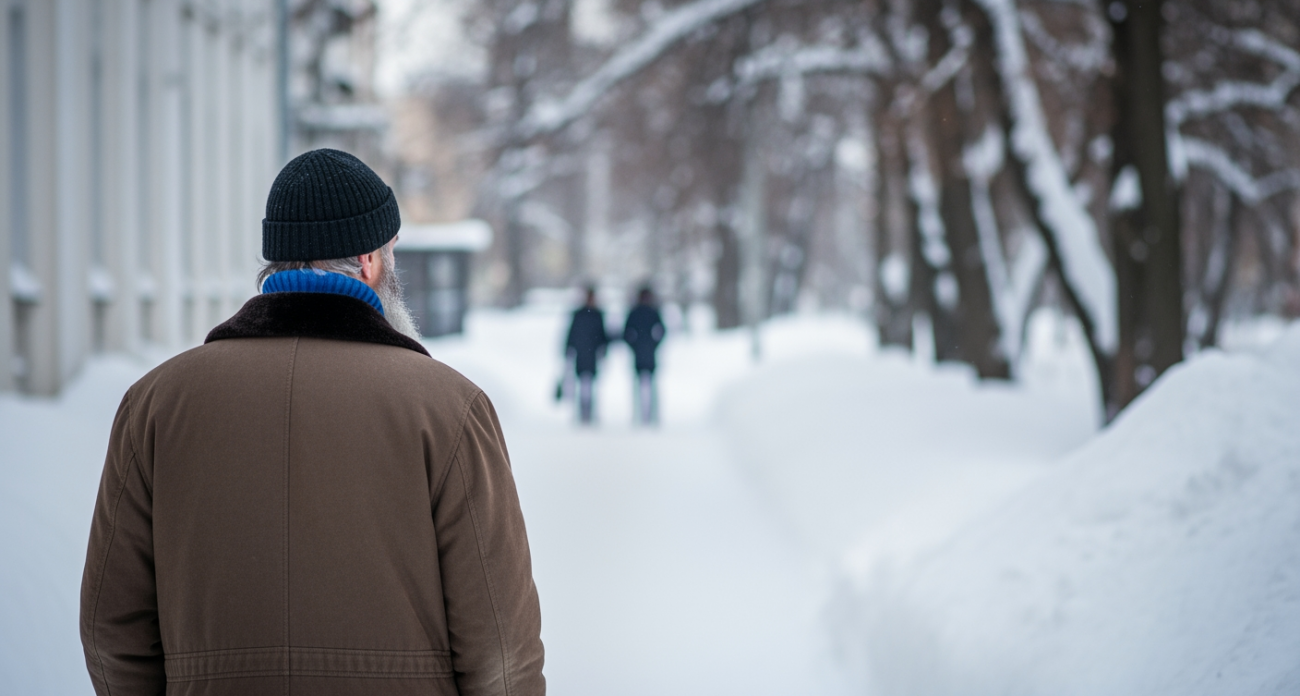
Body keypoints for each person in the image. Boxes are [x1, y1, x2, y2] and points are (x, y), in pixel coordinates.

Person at [79, 149, 545, 696]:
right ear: (371, 259)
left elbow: (110, 630)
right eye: (393, 251)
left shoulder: (156, 404)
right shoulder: (449, 408)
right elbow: (500, 652)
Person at [564, 286, 609, 424]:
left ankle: (590, 412)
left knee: (591, 384)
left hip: (592, 353)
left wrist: (603, 349)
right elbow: (571, 333)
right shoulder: (580, 314)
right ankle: (582, 412)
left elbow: (602, 335)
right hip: (582, 352)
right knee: (581, 383)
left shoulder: (597, 314)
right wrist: (569, 349)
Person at [622, 286, 666, 425]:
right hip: (645, 352)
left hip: (643, 352)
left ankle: (645, 415)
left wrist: (637, 345)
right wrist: (652, 344)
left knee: (646, 385)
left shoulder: (639, 312)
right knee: (645, 385)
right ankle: (646, 415)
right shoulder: (649, 312)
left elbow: (626, 332)